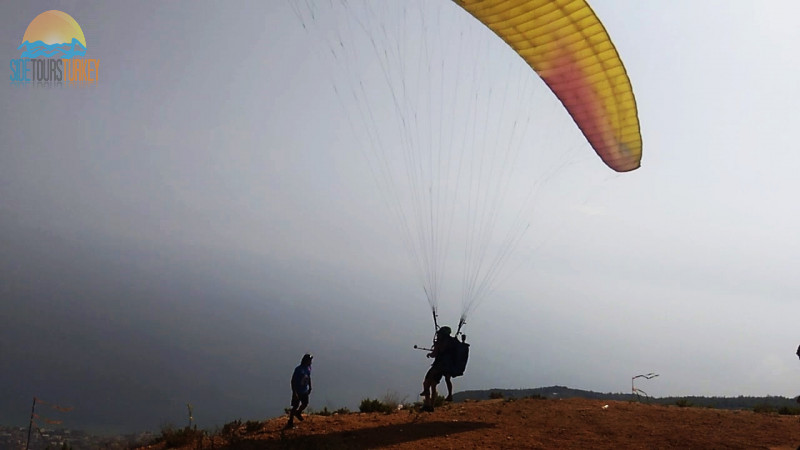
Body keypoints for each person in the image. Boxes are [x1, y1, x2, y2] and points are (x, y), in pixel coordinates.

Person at [421, 327, 456, 411]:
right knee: (433, 385)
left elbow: (434, 354)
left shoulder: (440, 343)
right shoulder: (451, 343)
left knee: (426, 383)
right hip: (445, 367)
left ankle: (427, 404)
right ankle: (431, 406)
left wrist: (430, 354)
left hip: (437, 366)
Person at [287, 353, 313, 428]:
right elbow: (293, 381)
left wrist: (310, 387)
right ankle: (290, 422)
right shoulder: (298, 369)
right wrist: (294, 392)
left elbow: (308, 377)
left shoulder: (308, 368)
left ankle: (298, 413)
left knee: (305, 403)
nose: (311, 362)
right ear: (305, 360)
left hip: (304, 390)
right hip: (298, 391)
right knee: (295, 406)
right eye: (309, 360)